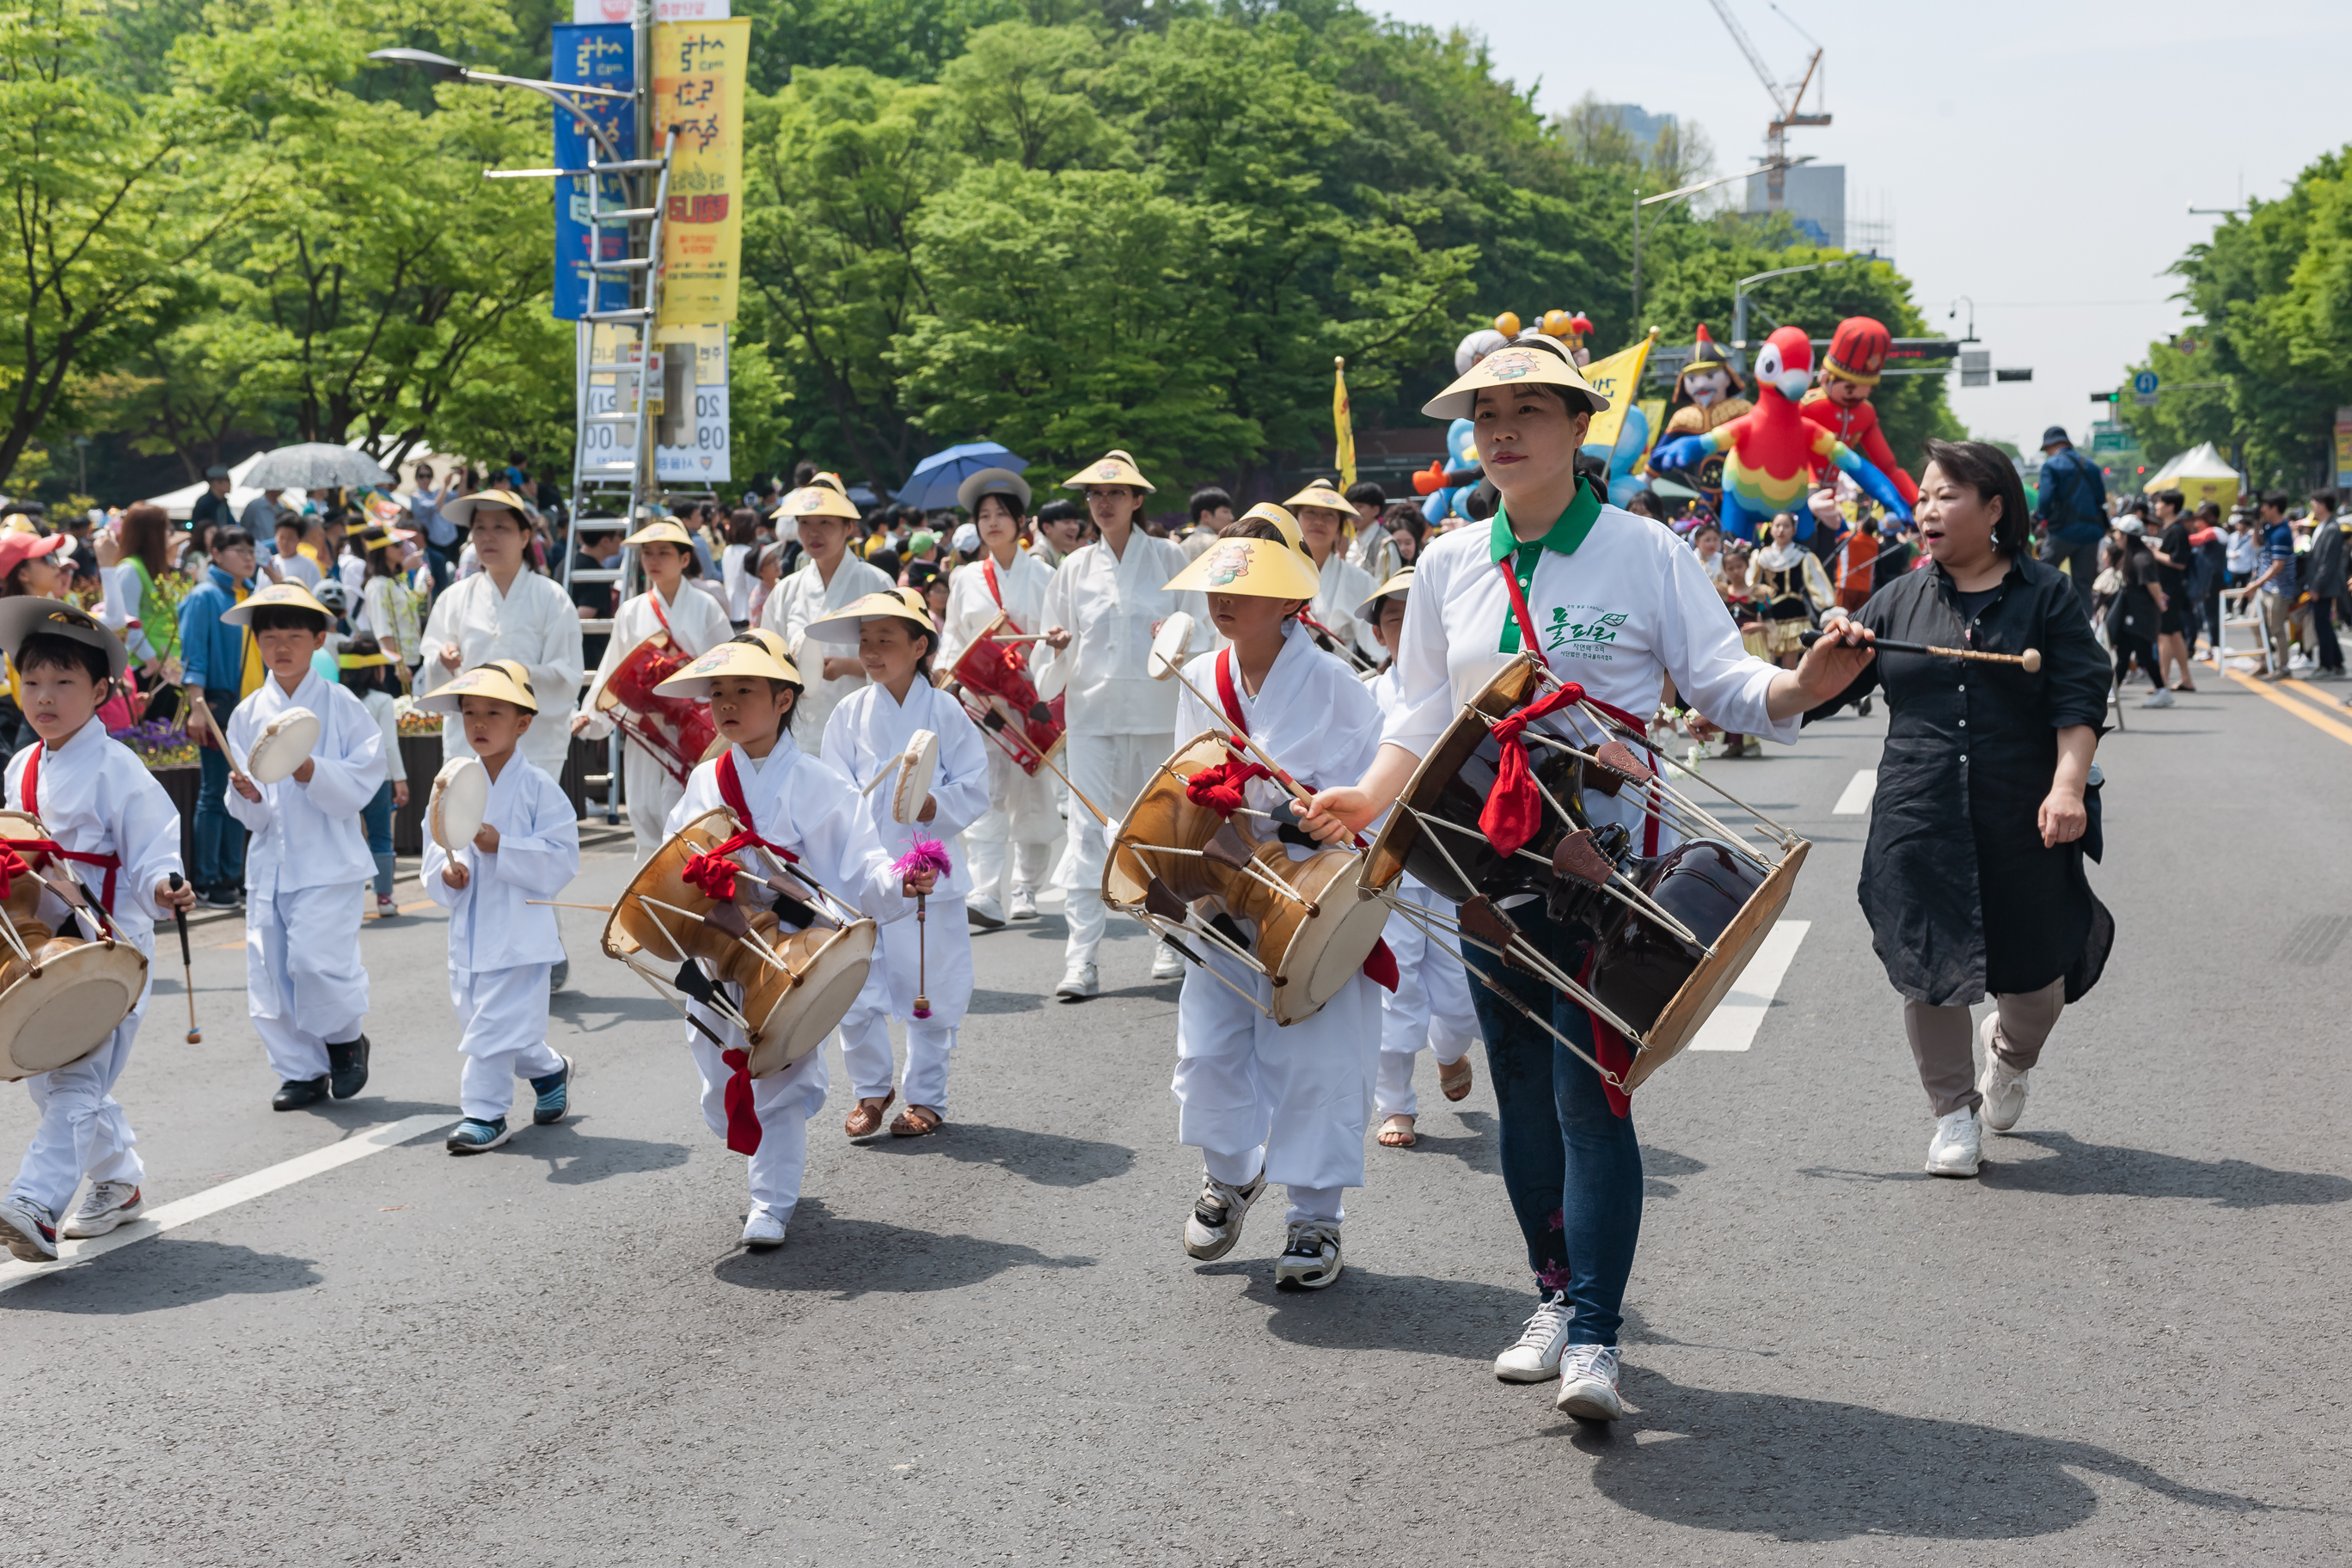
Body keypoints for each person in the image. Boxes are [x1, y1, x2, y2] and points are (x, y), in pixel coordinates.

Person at [1297, 336, 1873, 1420]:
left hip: (1610, 870)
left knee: (1589, 1094)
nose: (1502, 429)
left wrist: (1804, 686)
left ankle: (1599, 1337)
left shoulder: (1644, 552)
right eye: (1486, 414)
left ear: (1576, 425)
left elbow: (1724, 683)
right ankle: (1553, 1298)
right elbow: (1416, 714)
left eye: (1527, 410)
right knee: (1518, 1084)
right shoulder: (1448, 563)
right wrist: (1365, 799)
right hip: (1481, 862)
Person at [1807, 441, 2110, 1179]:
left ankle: (2008, 1056)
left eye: (1946, 496)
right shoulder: (1896, 599)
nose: (1928, 511)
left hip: (2025, 814)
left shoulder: (2047, 596)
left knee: (2037, 984)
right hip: (1920, 814)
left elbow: (2078, 697)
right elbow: (1820, 692)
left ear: (1995, 507)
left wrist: (2067, 785)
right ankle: (1951, 1114)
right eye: (1922, 499)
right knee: (1928, 966)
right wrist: (1824, 654)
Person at [648, 635, 934, 1249]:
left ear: (783, 700)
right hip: (717, 952)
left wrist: (901, 879)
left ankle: (770, 1203)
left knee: (776, 1075)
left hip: (791, 957)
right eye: (718, 693)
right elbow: (669, 864)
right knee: (719, 1084)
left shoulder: (820, 784)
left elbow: (862, 868)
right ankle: (770, 1163)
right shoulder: (704, 782)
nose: (726, 704)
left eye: (744, 691)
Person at [1161, 532, 1383, 1290]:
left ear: (1292, 600)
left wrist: (1319, 817)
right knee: (1208, 1052)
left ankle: (1316, 1217)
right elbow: (1179, 786)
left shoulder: (1337, 685)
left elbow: (1372, 809)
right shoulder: (1194, 675)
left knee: (1315, 1059)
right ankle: (1231, 1176)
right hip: (1226, 895)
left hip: (1310, 897)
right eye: (1217, 587)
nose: (1223, 601)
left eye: (1246, 589)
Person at [0, 601, 194, 1260]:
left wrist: (167, 883)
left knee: (76, 1079)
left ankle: (34, 1203)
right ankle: (119, 1180)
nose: (43, 698)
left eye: (63, 683)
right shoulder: (22, 765)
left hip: (110, 952)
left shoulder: (120, 770)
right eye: (31, 683)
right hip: (39, 953)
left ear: (102, 691)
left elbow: (155, 851)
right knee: (47, 1075)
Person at [817, 591, 989, 1141]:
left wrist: (933, 806)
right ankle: (870, 1091)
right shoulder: (847, 713)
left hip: (925, 872)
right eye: (865, 640)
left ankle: (926, 1097)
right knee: (855, 990)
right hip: (863, 873)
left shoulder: (944, 710)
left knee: (928, 988)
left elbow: (975, 786)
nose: (870, 651)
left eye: (886, 639)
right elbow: (831, 795)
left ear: (920, 646)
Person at [1035, 450, 1206, 1001]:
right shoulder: (1074, 568)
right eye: (1094, 495)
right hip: (1094, 717)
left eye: (1115, 494)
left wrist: (1175, 638)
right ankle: (1081, 958)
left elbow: (1198, 634)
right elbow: (1050, 650)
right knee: (1087, 832)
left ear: (1137, 500)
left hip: (1157, 715)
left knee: (1161, 829)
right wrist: (1057, 645)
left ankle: (1167, 938)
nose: (1103, 503)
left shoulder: (1170, 557)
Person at [221, 583, 383, 1112]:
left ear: (319, 640)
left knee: (317, 961)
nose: (282, 648)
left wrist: (312, 769)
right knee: (270, 971)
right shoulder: (247, 714)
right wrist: (245, 793)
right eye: (270, 638)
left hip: (328, 860)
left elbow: (366, 775)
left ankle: (344, 1040)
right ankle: (301, 1069)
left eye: (294, 636)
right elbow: (256, 810)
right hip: (271, 864)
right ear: (258, 644)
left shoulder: (341, 705)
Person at [419, 661, 582, 1155]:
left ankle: (484, 1114)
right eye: (471, 713)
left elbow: (561, 858)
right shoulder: (449, 782)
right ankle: (549, 1069)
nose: (481, 724)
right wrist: (445, 874)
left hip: (519, 937)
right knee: (492, 1029)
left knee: (491, 1032)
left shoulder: (538, 789)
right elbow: (437, 844)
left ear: (524, 722)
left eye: (494, 712)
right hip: (468, 935)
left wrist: (502, 846)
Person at [1357, 568, 1478, 1148]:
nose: (1405, 629)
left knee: (1459, 994)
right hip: (1389, 860)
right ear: (1378, 634)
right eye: (1393, 618)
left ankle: (1451, 1054)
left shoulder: (1472, 688)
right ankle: (1396, 1104)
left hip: (1457, 860)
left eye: (1417, 615)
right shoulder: (1364, 694)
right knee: (1394, 984)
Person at [936, 469, 1058, 927]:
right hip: (982, 702)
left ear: (1021, 522)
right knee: (985, 793)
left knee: (1033, 792)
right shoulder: (966, 578)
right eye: (984, 516)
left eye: (1001, 515)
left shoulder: (1044, 574)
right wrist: (948, 673)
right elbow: (953, 635)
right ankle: (987, 891)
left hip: (1031, 698)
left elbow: (1055, 635)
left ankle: (1027, 886)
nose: (992, 523)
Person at [572, 519, 734, 856]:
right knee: (644, 809)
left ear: (685, 559)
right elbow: (612, 670)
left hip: (697, 729)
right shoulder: (631, 611)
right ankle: (650, 897)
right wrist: (591, 714)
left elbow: (727, 668)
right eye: (648, 553)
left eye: (664, 552)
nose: (654, 560)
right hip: (648, 728)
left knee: (695, 815)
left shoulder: (707, 607)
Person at [415, 489, 585, 793]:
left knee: (527, 827)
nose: (487, 537)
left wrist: (518, 674)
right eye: (479, 528)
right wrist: (442, 660)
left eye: (500, 527)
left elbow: (567, 674)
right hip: (468, 742)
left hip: (535, 743)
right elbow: (432, 664)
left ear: (524, 537)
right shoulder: (454, 598)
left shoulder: (552, 598)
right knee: (467, 830)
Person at [757, 481, 893, 760]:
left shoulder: (876, 582)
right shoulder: (786, 590)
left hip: (864, 729)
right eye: (805, 523)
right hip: (801, 732)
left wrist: (851, 667)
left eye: (825, 523)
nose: (813, 532)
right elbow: (767, 659)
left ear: (848, 528)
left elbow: (901, 658)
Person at [175, 527, 265, 909]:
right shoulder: (205, 595)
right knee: (215, 792)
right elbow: (193, 655)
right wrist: (197, 705)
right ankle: (210, 879)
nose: (248, 557)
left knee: (239, 789)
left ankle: (233, 873)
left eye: (251, 550)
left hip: (247, 707)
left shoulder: (246, 594)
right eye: (238, 550)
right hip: (215, 705)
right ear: (215, 553)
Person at [340, 635, 408, 919]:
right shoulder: (382, 700)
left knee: (346, 837)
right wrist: (400, 779)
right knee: (381, 837)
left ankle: (349, 898)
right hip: (377, 779)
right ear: (374, 669)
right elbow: (388, 744)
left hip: (343, 778)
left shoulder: (337, 696)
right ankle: (384, 897)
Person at [1283, 478, 1382, 665]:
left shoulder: (1360, 580)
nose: (1319, 521)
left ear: (1340, 527)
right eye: (1310, 513)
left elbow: (1378, 646)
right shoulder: (1275, 574)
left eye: (1329, 515)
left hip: (1341, 674)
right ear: (1296, 520)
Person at [0, 529, 75, 763]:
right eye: (46, 559)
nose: (56, 566)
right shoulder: (21, 622)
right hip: (40, 731)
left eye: (54, 557)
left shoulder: (52, 612)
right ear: (23, 575)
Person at [2031, 426, 2108, 612]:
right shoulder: (2091, 465)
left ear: (2050, 445)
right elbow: (2101, 499)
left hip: (2064, 531)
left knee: (2042, 576)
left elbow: (2045, 499)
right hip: (2091, 533)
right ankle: (2086, 630)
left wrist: (2039, 518)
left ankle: (2040, 619)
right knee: (2083, 584)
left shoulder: (2051, 465)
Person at [1747, 511, 1834, 670]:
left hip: (1794, 616)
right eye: (1777, 526)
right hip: (1768, 617)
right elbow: (1749, 586)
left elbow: (1817, 583)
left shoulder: (1803, 555)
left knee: (1789, 669)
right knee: (1766, 665)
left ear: (1794, 530)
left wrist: (1828, 607)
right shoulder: (1760, 556)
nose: (1781, 530)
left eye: (1786, 526)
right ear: (1771, 529)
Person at [2145, 489, 2196, 692]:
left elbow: (2180, 562)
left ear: (2170, 506)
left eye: (2159, 503)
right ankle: (2186, 679)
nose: (2156, 506)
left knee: (2163, 633)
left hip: (2171, 590)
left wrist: (2154, 554)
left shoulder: (2177, 531)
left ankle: (2163, 681)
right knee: (2174, 634)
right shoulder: (2166, 529)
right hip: (2167, 587)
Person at [2242, 493, 2297, 678]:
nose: (2262, 509)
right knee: (2255, 624)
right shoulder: (2269, 527)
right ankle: (2264, 663)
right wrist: (2257, 522)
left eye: (2264, 506)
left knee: (2276, 629)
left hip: (2278, 589)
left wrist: (2255, 585)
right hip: (2265, 587)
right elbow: (2257, 543)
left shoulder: (2282, 532)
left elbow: (2278, 566)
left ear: (2274, 508)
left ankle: (2283, 667)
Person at [2302, 489, 2348, 679]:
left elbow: (2327, 563)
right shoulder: (2323, 526)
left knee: (2322, 624)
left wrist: (2316, 587)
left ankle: (2327, 665)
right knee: (2324, 623)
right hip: (2320, 584)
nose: (2312, 506)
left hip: (2324, 585)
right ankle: (2336, 663)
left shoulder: (2331, 529)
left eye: (2313, 503)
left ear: (2322, 505)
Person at [1344, 480, 1402, 583]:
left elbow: (1389, 590)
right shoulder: (1354, 541)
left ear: (1376, 510)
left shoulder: (1385, 545)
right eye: (1351, 507)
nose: (1353, 512)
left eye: (1359, 507)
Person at [720, 507, 760, 628]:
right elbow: (753, 587)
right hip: (746, 612)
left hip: (730, 609)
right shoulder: (749, 553)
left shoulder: (728, 550)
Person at [1029, 498, 1085, 570]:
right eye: (1067, 522)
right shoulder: (1038, 560)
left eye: (1075, 522)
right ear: (1047, 528)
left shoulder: (1053, 554)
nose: (1074, 527)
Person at [1183, 485, 1233, 560]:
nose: (1232, 518)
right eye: (1225, 512)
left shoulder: (1181, 546)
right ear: (1206, 516)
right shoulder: (1223, 545)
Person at [190, 464, 236, 543]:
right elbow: (197, 530)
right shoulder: (204, 503)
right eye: (227, 480)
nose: (230, 484)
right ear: (216, 483)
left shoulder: (224, 502)